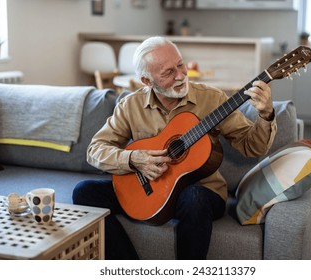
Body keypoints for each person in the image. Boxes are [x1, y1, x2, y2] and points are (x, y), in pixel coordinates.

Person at [72, 36, 277, 260]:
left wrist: (266, 115)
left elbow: (252, 147)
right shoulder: (130, 105)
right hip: (154, 192)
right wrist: (133, 158)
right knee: (84, 192)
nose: (180, 75)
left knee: (194, 198)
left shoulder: (212, 99)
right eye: (168, 73)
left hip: (201, 193)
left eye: (181, 65)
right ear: (147, 81)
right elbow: (95, 149)